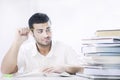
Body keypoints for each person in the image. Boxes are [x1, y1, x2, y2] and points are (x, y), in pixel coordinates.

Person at [1, 13, 84, 75]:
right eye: (40, 31)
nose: (46, 35)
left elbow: (82, 69)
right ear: (32, 33)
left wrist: (65, 68)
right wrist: (17, 42)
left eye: (48, 29)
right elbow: (6, 71)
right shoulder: (25, 50)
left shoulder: (64, 48)